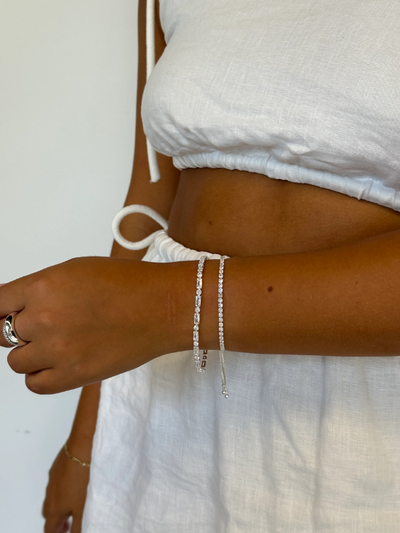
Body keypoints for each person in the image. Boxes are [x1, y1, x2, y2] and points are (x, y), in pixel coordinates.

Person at [2, 0, 400, 531]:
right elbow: (148, 202)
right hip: (168, 402)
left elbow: (146, 299)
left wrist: (167, 306)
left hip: (365, 413)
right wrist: (86, 441)